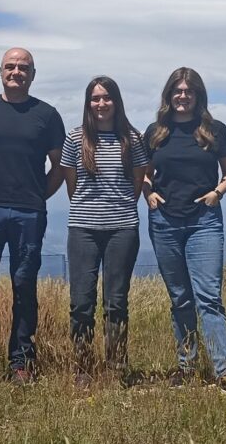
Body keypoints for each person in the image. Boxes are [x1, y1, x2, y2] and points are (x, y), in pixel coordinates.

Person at [0, 47, 66, 384]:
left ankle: (20, 360)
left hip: (29, 212)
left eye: (24, 67)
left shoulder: (47, 115)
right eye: (11, 66)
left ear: (33, 74)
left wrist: (38, 195)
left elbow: (59, 166)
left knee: (24, 284)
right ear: (1, 71)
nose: (16, 72)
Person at [143, 67, 226, 387]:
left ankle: (224, 371)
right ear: (169, 95)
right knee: (180, 298)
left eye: (189, 91)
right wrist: (148, 193)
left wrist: (216, 194)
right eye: (177, 91)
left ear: (198, 95)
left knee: (208, 297)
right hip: (164, 221)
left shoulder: (214, 130)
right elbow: (144, 173)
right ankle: (185, 367)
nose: (182, 96)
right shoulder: (156, 132)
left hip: (204, 221)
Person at [60, 76, 148, 388]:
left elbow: (138, 182)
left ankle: (116, 367)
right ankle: (82, 367)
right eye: (95, 98)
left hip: (122, 228)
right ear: (88, 103)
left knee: (116, 302)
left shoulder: (133, 139)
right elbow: (72, 185)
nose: (101, 104)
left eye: (106, 98)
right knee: (81, 302)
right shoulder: (75, 138)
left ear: (116, 101)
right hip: (82, 228)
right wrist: (91, 209)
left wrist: (118, 209)